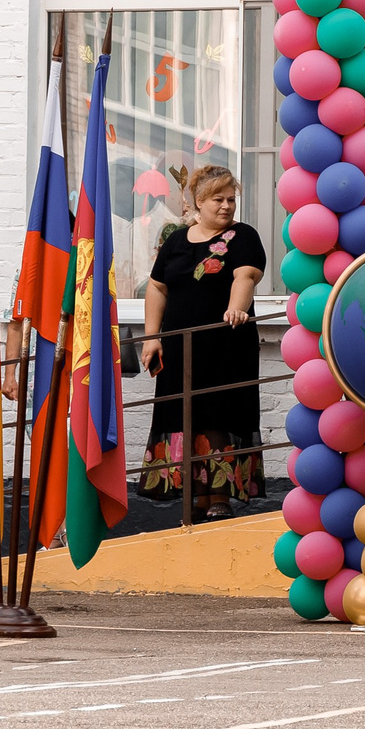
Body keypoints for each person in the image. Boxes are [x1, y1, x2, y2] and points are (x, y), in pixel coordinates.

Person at [136, 168, 267, 520]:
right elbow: (157, 287)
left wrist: (236, 309)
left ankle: (219, 496)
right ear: (197, 202)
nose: (226, 206)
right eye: (218, 199)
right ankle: (193, 495)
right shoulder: (176, 241)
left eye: (231, 199)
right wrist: (151, 339)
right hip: (179, 347)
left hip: (225, 345)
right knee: (182, 414)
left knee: (218, 414)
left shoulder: (243, 236)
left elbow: (246, 275)